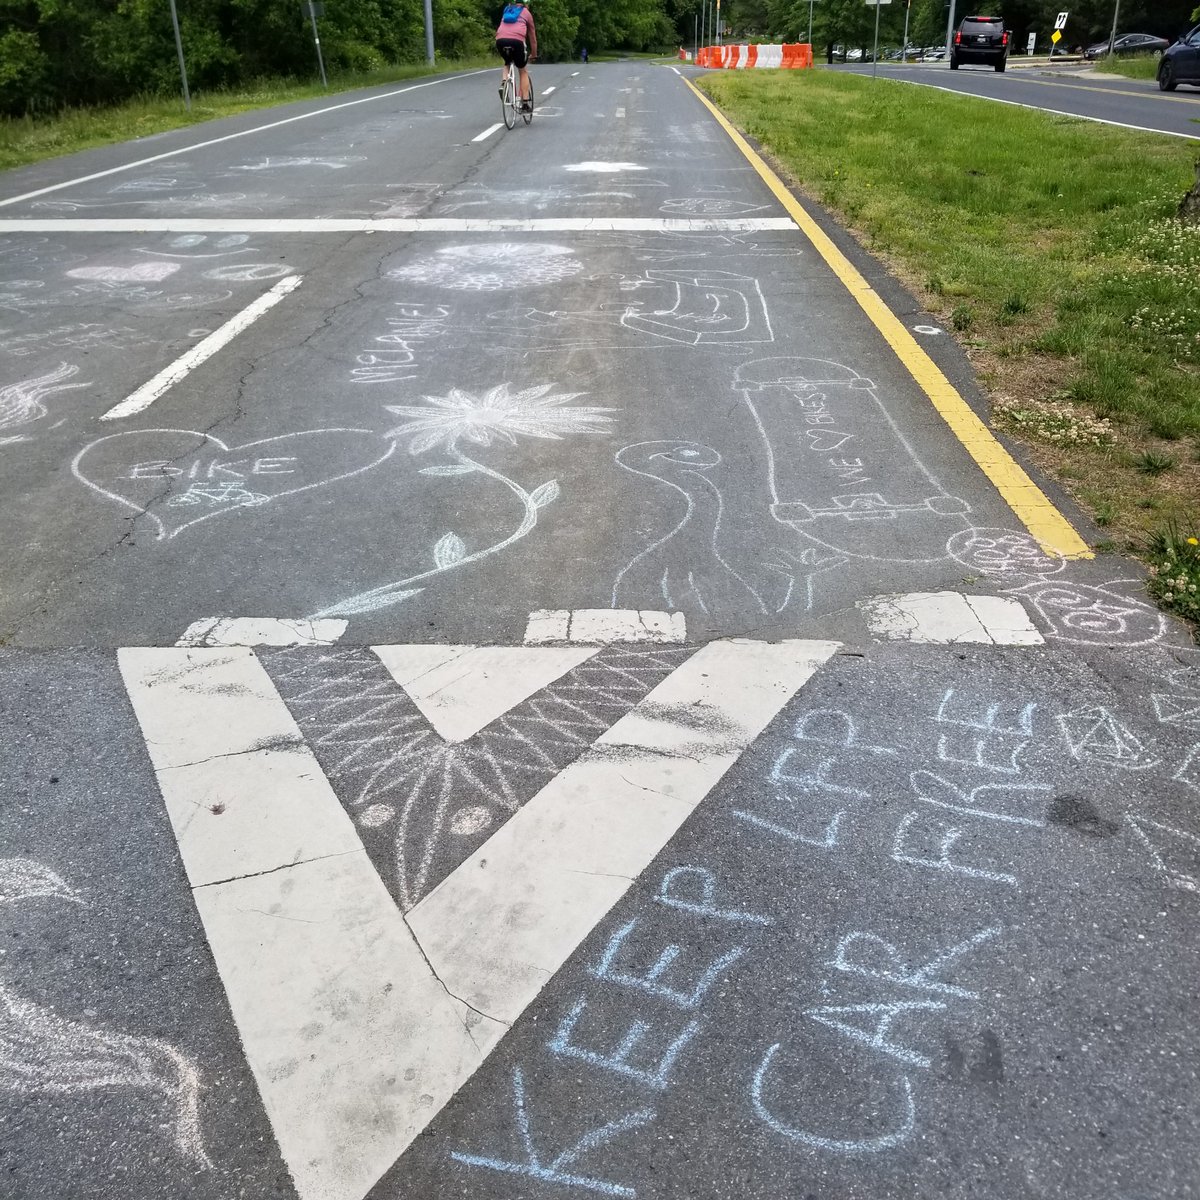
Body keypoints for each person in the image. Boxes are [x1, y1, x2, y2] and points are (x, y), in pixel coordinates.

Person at [495, 1, 537, 112]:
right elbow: (532, 38)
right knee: (522, 70)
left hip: (500, 40)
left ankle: (504, 83)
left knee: (507, 62)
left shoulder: (507, 9)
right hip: (517, 41)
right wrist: (534, 54)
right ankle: (525, 104)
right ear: (526, 4)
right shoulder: (526, 13)